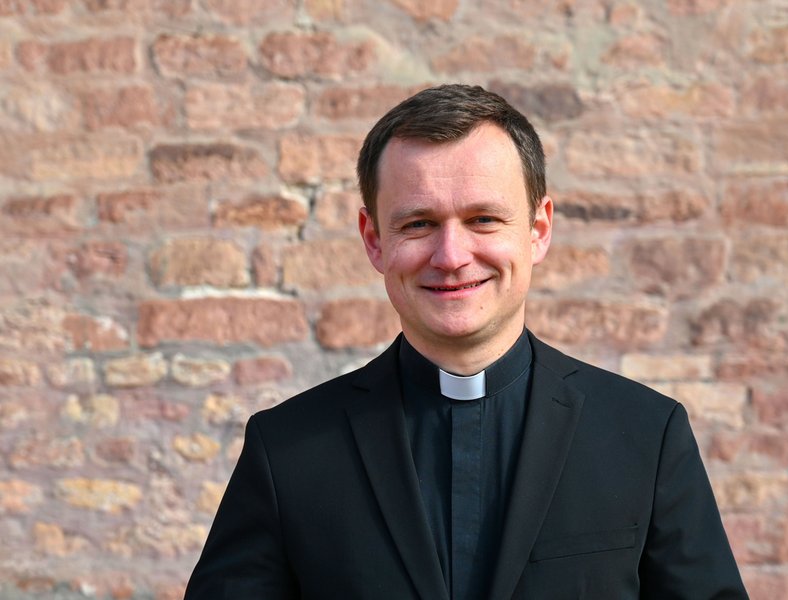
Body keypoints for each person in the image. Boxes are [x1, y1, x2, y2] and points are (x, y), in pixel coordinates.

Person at [185, 84, 748, 599]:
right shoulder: (286, 451)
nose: (451, 256)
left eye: (482, 219)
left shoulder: (646, 435)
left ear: (538, 230)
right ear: (374, 240)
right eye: (418, 224)